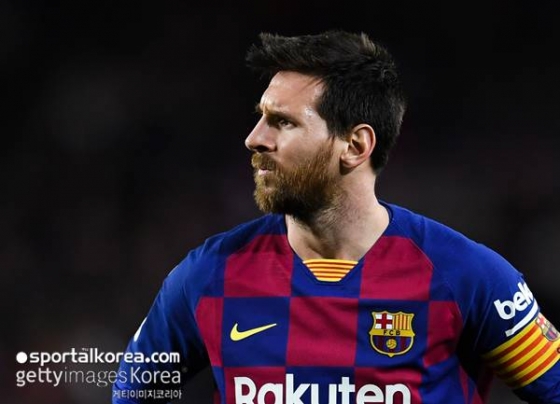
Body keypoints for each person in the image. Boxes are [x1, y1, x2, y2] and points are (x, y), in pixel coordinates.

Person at [113, 31, 560, 404]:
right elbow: (132, 394)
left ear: (355, 146)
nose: (254, 138)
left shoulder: (465, 276)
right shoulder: (208, 276)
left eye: (283, 122)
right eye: (260, 118)